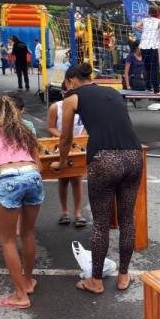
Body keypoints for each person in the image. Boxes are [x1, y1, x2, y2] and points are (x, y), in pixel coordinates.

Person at [50, 63, 143, 294]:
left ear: (71, 81)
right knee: (127, 219)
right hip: (134, 155)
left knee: (101, 223)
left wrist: (61, 163)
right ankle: (123, 276)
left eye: (66, 84)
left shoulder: (72, 98)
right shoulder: (113, 92)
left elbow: (65, 138)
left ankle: (96, 281)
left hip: (104, 159)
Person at [0, 95, 44, 308]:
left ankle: (20, 295)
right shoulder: (25, 128)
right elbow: (38, 163)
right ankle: (29, 281)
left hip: (9, 178)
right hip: (32, 174)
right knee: (29, 232)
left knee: (8, 240)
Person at [47, 97, 87, 227]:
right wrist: (64, 138)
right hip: (61, 145)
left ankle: (78, 214)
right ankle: (64, 212)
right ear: (63, 92)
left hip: (78, 145)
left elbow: (87, 125)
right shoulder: (55, 107)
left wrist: (80, 138)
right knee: (63, 179)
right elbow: (51, 127)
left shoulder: (83, 105)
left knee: (77, 179)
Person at [134, 5, 160, 93]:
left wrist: (142, 30)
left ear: (149, 13)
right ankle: (156, 88)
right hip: (152, 46)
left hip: (143, 46)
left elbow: (136, 26)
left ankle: (148, 86)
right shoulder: (159, 21)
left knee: (147, 66)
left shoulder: (144, 20)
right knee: (154, 67)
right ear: (158, 13)